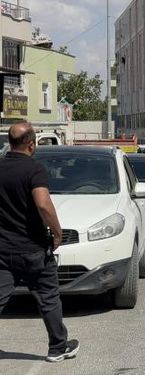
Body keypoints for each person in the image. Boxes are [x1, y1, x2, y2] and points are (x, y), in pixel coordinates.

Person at [0, 123, 79, 363]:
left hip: (2, 249)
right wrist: (57, 233)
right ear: (31, 144)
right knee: (48, 298)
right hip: (33, 249)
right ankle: (58, 347)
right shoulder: (35, 169)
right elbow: (43, 204)